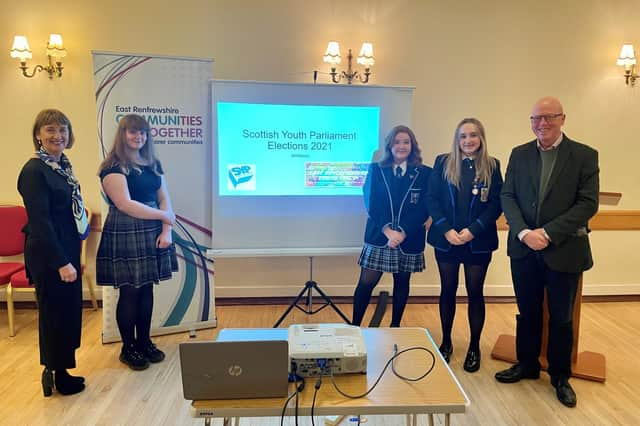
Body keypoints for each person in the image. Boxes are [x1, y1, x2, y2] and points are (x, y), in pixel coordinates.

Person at [495, 97, 599, 408]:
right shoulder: (519, 153)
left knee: (561, 317)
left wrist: (549, 233)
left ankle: (559, 375)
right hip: (524, 248)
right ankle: (527, 364)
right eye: (536, 118)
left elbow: (587, 203)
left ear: (562, 119)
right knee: (527, 311)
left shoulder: (584, 155)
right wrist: (526, 233)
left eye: (549, 117)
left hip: (564, 250)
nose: (542, 123)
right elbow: (508, 195)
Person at [96, 114, 178, 371]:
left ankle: (144, 342)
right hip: (126, 228)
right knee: (130, 290)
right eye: (132, 132)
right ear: (122, 134)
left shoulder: (153, 163)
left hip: (153, 228)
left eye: (142, 132)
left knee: (147, 290)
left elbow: (165, 198)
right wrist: (163, 216)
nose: (138, 137)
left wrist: (167, 230)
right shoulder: (112, 166)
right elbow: (125, 204)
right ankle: (127, 347)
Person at [17, 109, 90, 396]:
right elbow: (40, 222)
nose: (57, 135)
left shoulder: (60, 166)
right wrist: (61, 262)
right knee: (55, 314)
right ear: (38, 134)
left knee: (68, 312)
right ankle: (55, 374)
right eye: (50, 129)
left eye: (63, 129)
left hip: (65, 248)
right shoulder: (34, 170)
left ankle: (62, 369)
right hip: (49, 254)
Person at [426, 118, 502, 372]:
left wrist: (472, 231)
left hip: (477, 242)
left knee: (474, 293)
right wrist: (446, 229)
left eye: (473, 135)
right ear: (456, 140)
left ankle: (474, 347)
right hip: (446, 241)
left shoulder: (492, 165)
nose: (468, 140)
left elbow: (496, 204)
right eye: (463, 136)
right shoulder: (442, 162)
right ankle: (446, 343)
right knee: (447, 291)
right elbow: (431, 199)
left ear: (481, 138)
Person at [352, 125, 431, 327]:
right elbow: (371, 202)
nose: (402, 146)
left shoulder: (424, 173)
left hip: (409, 238)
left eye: (406, 142)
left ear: (412, 146)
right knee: (366, 283)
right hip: (379, 237)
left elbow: (425, 207)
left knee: (402, 283)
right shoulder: (376, 170)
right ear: (390, 145)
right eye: (397, 142)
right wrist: (388, 230)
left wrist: (402, 232)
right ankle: (354, 327)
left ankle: (395, 327)